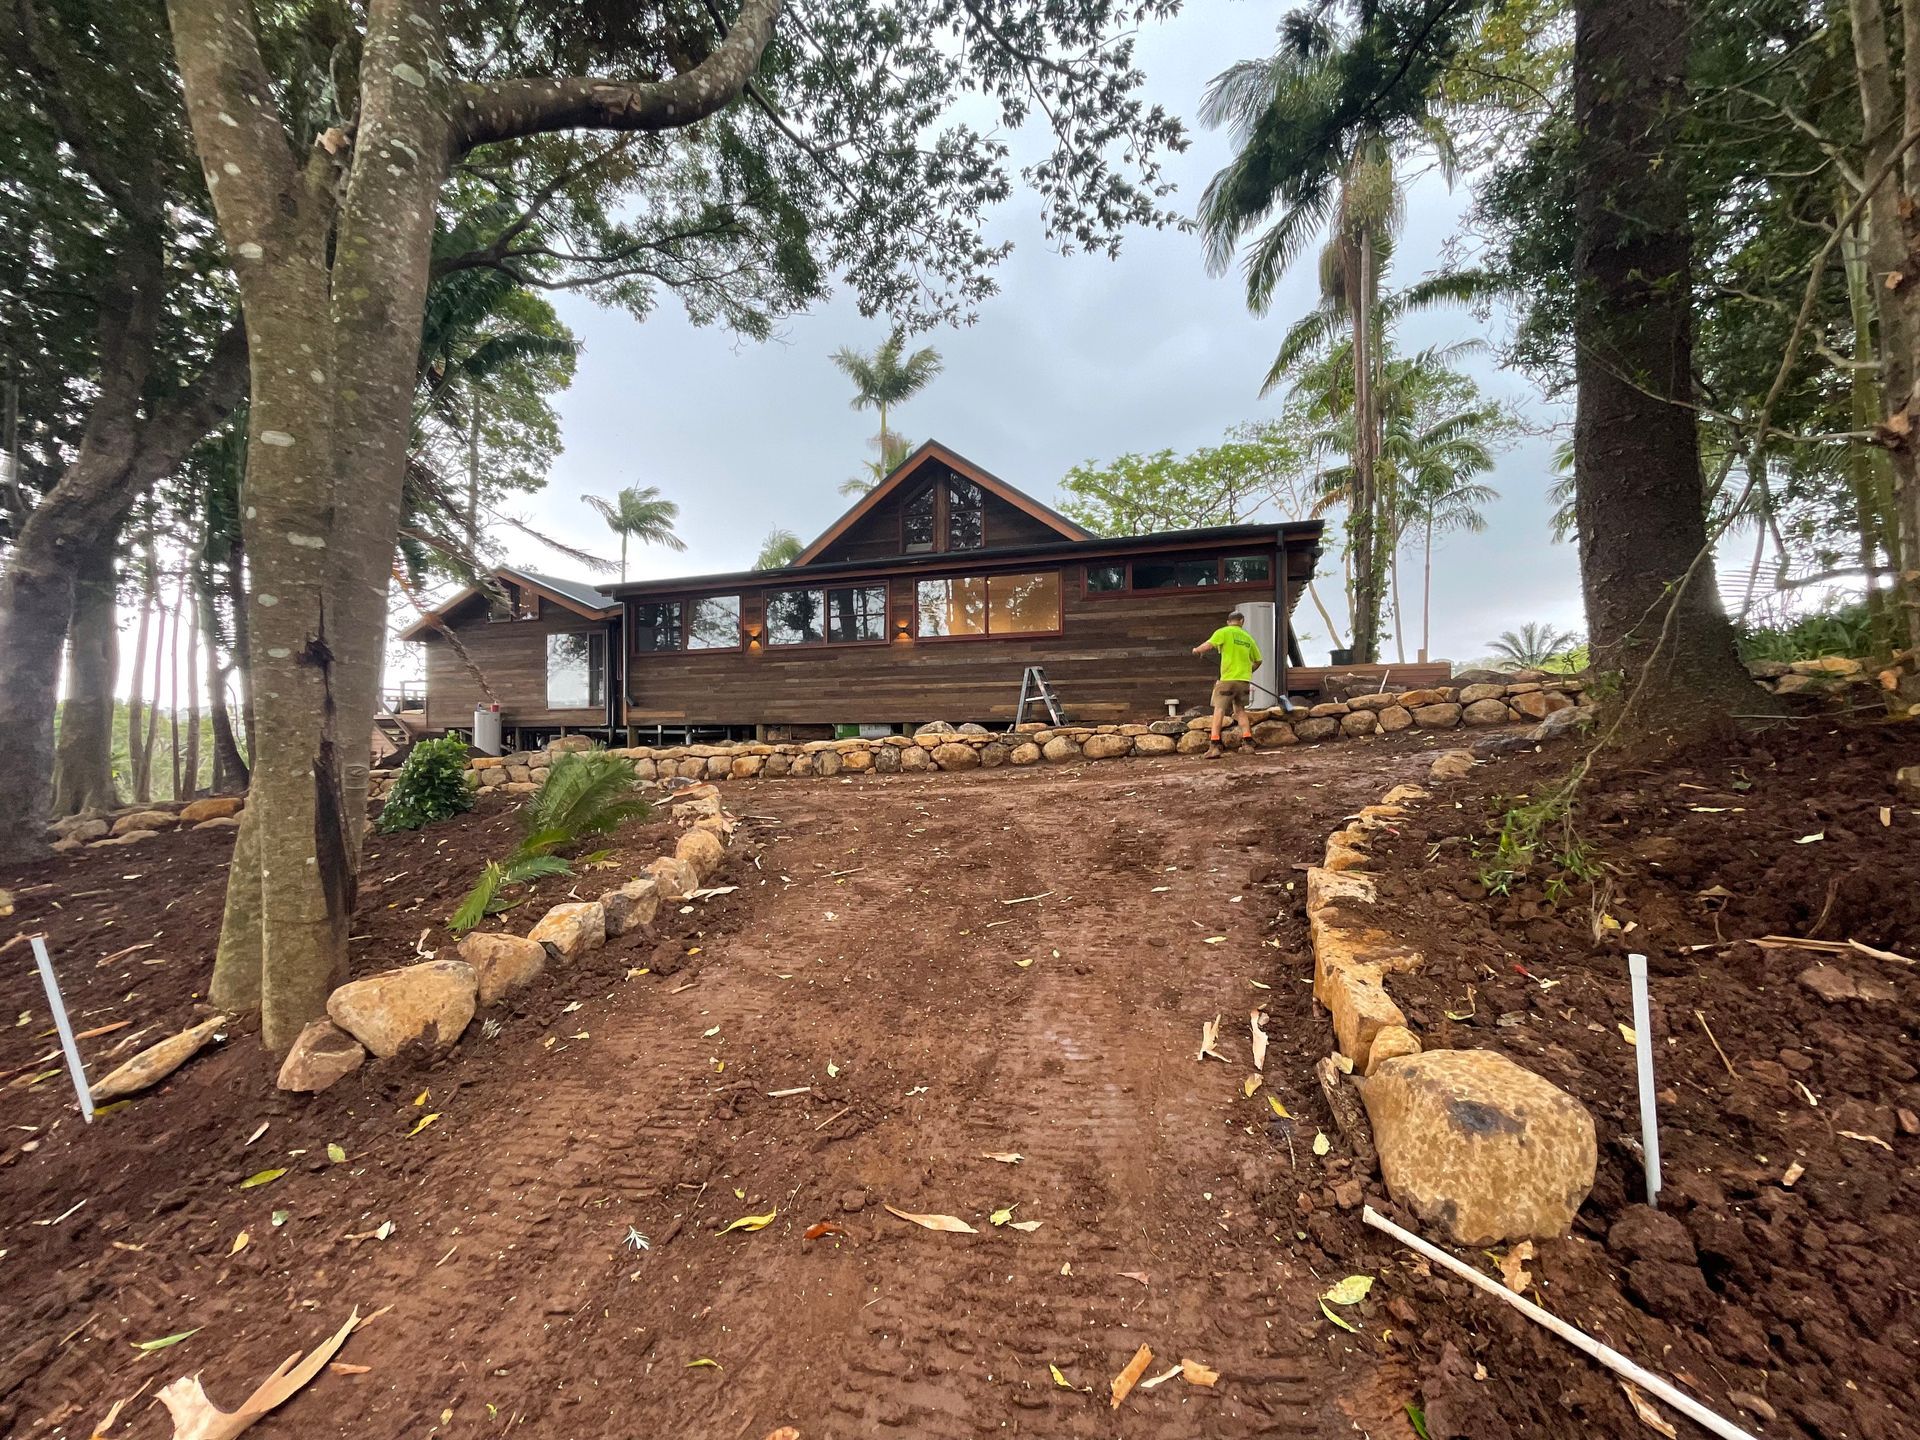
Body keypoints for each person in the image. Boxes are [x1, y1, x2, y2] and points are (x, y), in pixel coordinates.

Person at [1192, 609, 1261, 758]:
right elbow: (1258, 660)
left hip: (1227, 680)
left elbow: (1209, 645)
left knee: (1219, 710)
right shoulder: (1248, 638)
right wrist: (1247, 671)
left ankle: (1214, 746)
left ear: (1229, 621)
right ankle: (1248, 743)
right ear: (1242, 622)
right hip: (1243, 681)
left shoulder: (1224, 632)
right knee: (1240, 711)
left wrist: (1197, 650)